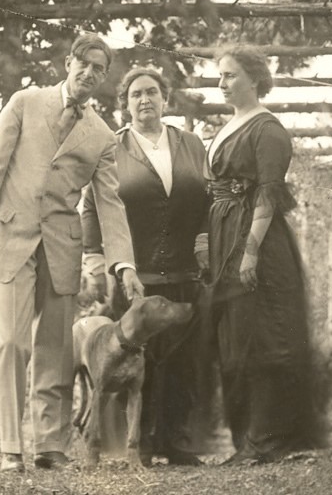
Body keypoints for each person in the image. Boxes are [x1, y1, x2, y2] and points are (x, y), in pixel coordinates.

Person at [0, 33, 144, 473]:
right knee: (9, 342)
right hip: (10, 240)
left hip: (62, 249)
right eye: (85, 64)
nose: (90, 74)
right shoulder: (26, 102)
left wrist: (124, 263)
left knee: (56, 349)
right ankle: (10, 448)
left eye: (100, 70)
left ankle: (50, 447)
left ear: (104, 78)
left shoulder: (101, 135)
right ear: (69, 63)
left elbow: (110, 203)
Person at [82, 66, 209, 466]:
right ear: (125, 105)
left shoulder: (190, 143)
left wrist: (204, 242)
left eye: (152, 92)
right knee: (139, 363)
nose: (145, 100)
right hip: (135, 277)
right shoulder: (112, 147)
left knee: (184, 363)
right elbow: (91, 207)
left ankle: (180, 443)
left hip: (186, 271)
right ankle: (140, 445)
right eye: (136, 94)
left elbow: (209, 198)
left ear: (164, 99)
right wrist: (98, 259)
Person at [205, 46, 324, 464]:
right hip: (224, 237)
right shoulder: (227, 126)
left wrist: (250, 252)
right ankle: (245, 441)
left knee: (262, 337)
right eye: (220, 76)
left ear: (254, 79)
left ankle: (267, 439)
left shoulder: (268, 129)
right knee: (233, 340)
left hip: (256, 242)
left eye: (230, 76)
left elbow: (268, 195)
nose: (221, 84)